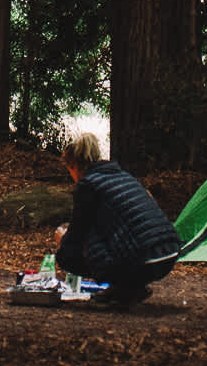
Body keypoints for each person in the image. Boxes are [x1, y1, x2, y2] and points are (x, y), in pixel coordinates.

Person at [53, 132, 180, 308]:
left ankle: (125, 286)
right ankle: (131, 286)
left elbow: (78, 234)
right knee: (108, 234)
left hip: (144, 260)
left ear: (73, 165)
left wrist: (63, 238)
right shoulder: (122, 175)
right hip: (169, 253)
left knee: (67, 254)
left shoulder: (88, 184)